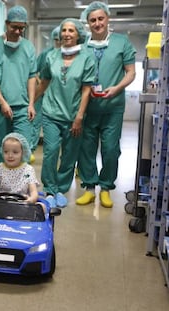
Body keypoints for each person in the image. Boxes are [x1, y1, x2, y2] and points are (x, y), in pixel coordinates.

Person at [76, 1, 136, 208]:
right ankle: (90, 187)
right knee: (86, 149)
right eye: (93, 20)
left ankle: (106, 187)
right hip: (89, 107)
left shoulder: (121, 42)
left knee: (110, 149)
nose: (97, 23)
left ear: (108, 19)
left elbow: (131, 72)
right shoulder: (83, 46)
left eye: (101, 18)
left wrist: (117, 88)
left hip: (113, 107)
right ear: (87, 23)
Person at [33, 18, 95, 208]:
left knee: (69, 155)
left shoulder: (87, 58)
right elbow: (43, 82)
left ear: (78, 35)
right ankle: (50, 190)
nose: (67, 34)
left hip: (73, 116)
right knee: (50, 152)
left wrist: (79, 116)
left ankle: (61, 189)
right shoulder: (51, 56)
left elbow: (86, 89)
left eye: (71, 30)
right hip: (51, 113)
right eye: (64, 30)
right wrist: (30, 103)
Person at [0, 5, 38, 168]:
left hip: (22, 107)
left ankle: (20, 186)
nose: (18, 31)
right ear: (6, 24)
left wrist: (31, 104)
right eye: (14, 27)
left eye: (22, 28)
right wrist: (3, 102)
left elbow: (31, 77)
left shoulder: (28, 47)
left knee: (23, 147)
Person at [29, 26, 61, 163]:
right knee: (35, 122)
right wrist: (41, 84)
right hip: (43, 94)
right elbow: (34, 71)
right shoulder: (46, 54)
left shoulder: (72, 55)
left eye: (60, 39)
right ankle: (30, 150)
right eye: (56, 40)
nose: (59, 42)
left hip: (60, 97)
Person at [0, 132, 40, 204]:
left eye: (15, 152)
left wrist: (31, 199)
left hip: (23, 204)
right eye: (6, 152)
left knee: (41, 206)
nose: (10, 155)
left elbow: (33, 192)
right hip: (1, 204)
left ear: (23, 153)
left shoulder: (28, 170)